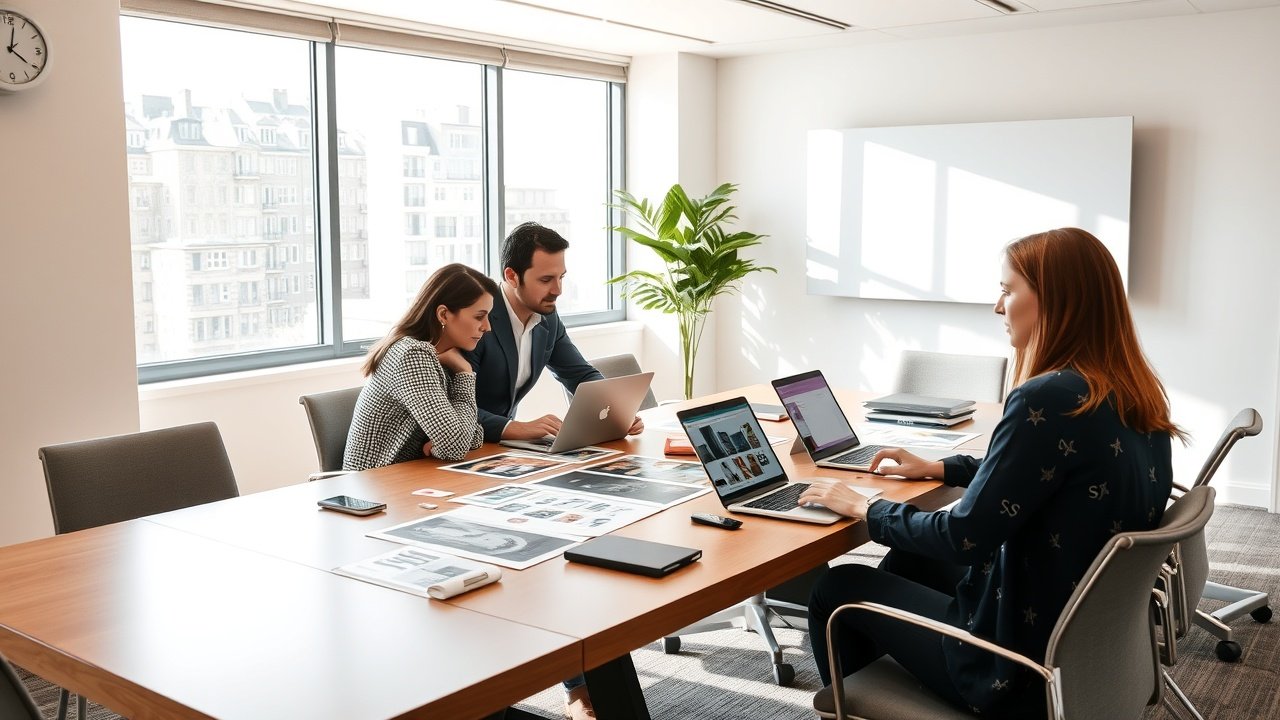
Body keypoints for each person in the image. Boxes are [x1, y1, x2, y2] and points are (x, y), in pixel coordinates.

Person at [799, 228, 1183, 718]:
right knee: (906, 562)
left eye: (1007, 289)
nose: (997, 307)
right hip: (1073, 636)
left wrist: (864, 507)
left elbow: (963, 537)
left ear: (1055, 299)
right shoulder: (1130, 391)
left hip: (1013, 665)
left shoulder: (1046, 398)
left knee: (838, 589)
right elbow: (1049, 477)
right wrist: (942, 467)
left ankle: (901, 695)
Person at [463, 221, 643, 444]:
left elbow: (580, 375)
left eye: (561, 277)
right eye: (546, 280)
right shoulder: (477, 318)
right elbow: (452, 405)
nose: (558, 290)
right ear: (511, 276)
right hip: (457, 448)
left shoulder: (547, 318)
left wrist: (618, 410)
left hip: (500, 449)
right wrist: (514, 427)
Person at [343, 264, 496, 471]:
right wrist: (465, 373)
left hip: (407, 478)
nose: (487, 327)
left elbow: (474, 435)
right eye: (479, 316)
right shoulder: (412, 355)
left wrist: (453, 439)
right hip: (372, 488)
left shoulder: (442, 356)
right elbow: (456, 446)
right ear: (443, 315)